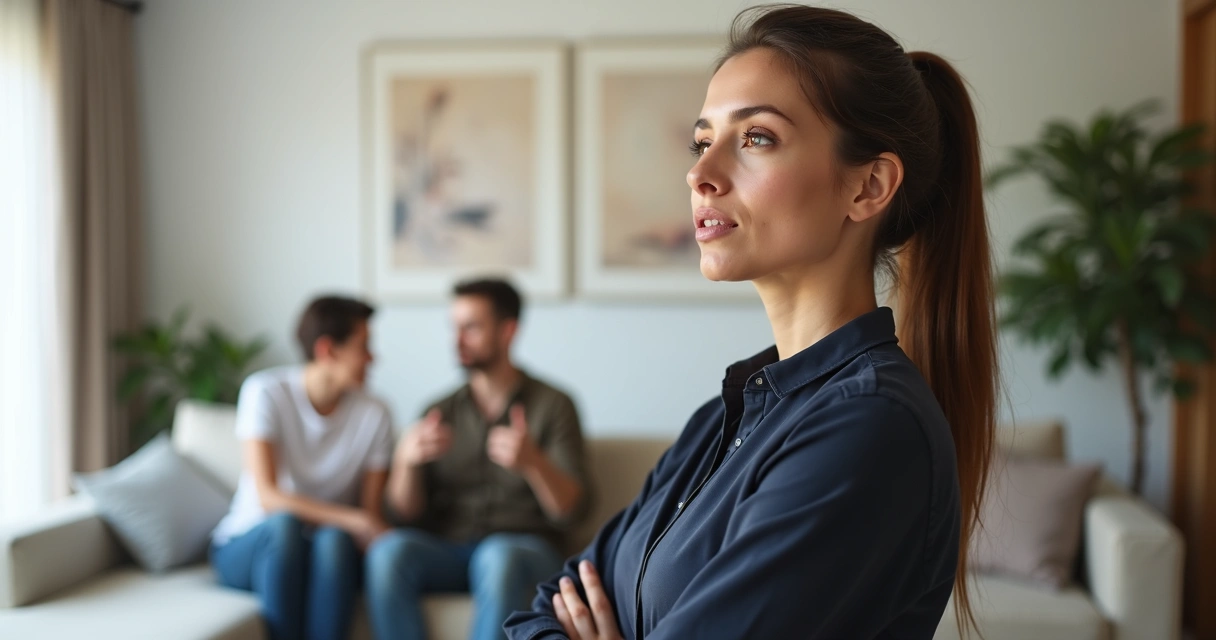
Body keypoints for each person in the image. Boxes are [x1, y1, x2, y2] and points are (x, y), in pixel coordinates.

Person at [504, 5, 998, 639]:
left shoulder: (870, 428)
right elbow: (543, 605)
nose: (700, 174)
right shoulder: (726, 417)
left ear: (868, 186)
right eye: (703, 141)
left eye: (757, 137)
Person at [367, 278, 591, 640]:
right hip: (451, 550)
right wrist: (405, 464)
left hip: (525, 551)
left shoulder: (554, 406)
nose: (456, 341)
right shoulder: (438, 410)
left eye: (471, 328)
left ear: (508, 331)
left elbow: (573, 511)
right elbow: (403, 515)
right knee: (388, 552)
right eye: (454, 328)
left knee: (497, 555)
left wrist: (534, 463)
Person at [211, 296, 395, 640]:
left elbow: (370, 514)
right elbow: (268, 497)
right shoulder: (265, 392)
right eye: (364, 346)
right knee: (284, 527)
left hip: (323, 549)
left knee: (336, 540)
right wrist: (354, 519)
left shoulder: (376, 413)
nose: (373, 358)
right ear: (328, 350)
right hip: (252, 545)